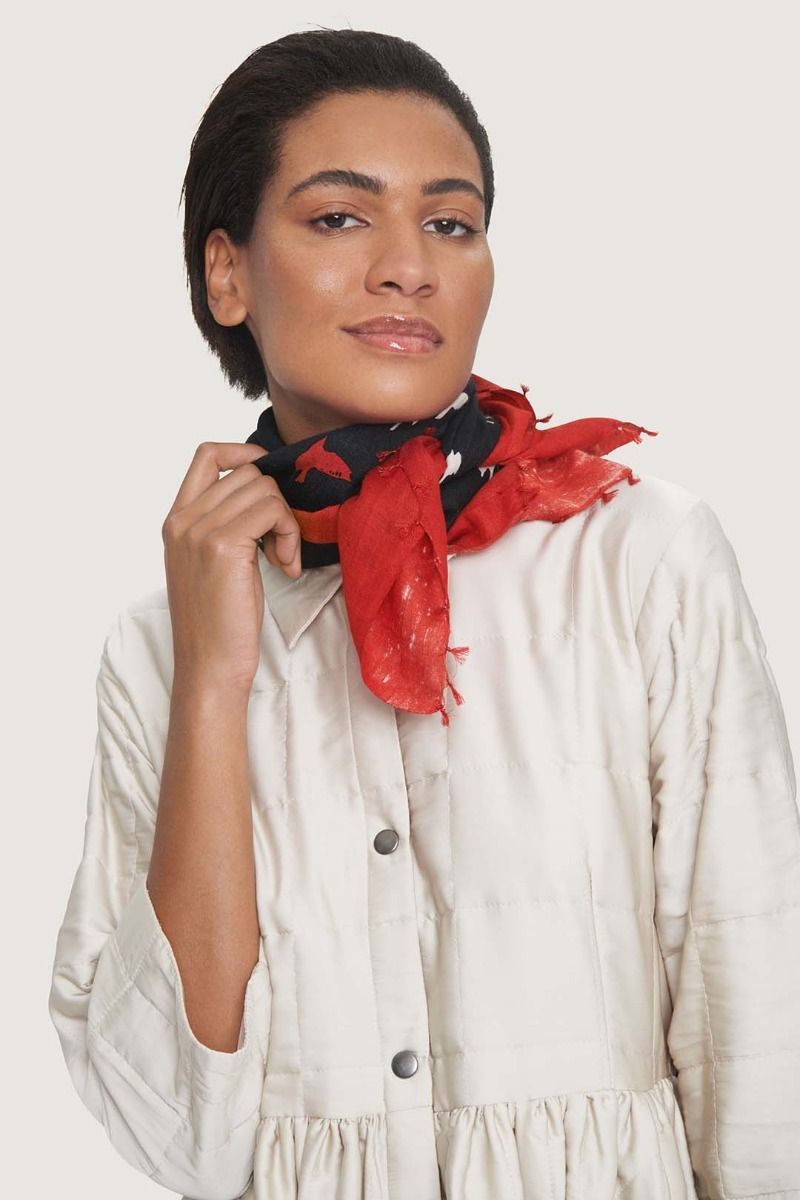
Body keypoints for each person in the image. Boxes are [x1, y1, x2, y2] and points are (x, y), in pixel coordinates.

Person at [48, 27, 799, 1200]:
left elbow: (757, 1026)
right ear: (227, 274)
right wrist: (211, 683)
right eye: (340, 217)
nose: (408, 266)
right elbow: (181, 1138)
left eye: (449, 222)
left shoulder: (638, 559)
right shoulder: (160, 648)